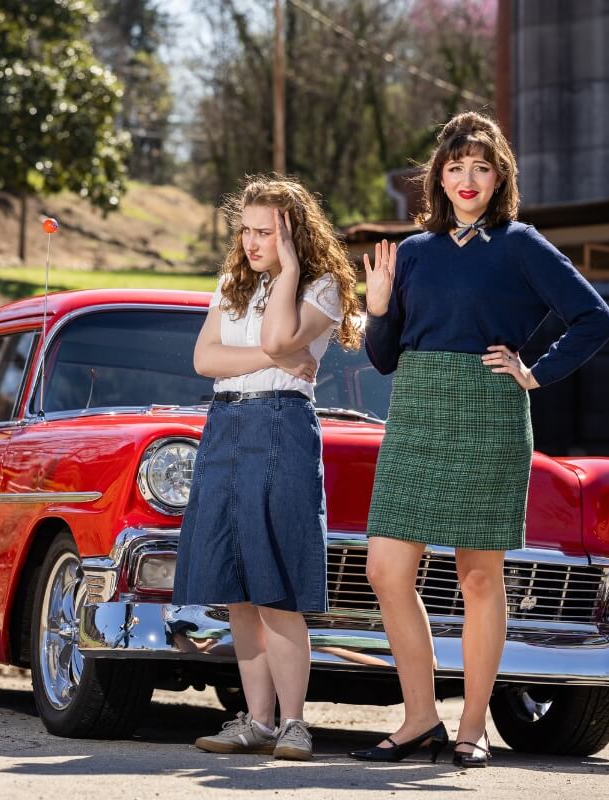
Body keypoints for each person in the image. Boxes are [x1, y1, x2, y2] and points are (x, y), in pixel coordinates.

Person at [349, 112, 609, 767]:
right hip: (415, 410)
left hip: (490, 411)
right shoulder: (410, 253)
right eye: (455, 166)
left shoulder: (521, 244)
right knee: (385, 568)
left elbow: (594, 317)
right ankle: (419, 720)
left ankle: (472, 728)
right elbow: (383, 359)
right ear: (437, 177)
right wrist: (379, 305)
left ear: (500, 178)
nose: (467, 179)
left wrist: (534, 371)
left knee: (478, 576)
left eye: (481, 167)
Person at [174, 175, 361, 761]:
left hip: (282, 424)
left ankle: (295, 723)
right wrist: (270, 357)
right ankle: (256, 720)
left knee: (275, 582)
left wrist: (284, 274)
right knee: (238, 588)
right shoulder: (232, 283)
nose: (253, 242)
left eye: (267, 232)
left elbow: (285, 332)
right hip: (225, 425)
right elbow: (206, 358)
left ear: (293, 233)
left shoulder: (320, 286)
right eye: (247, 231)